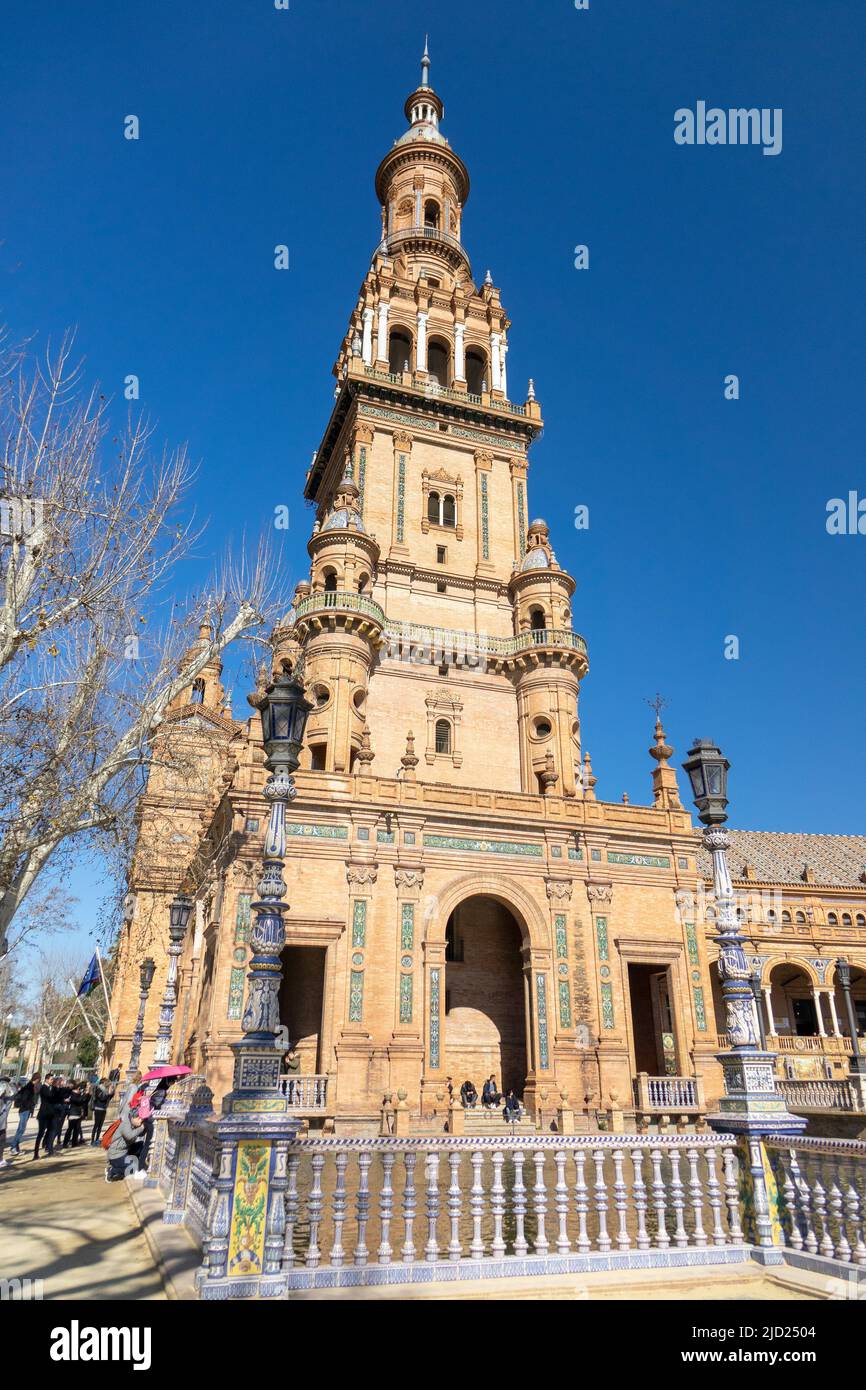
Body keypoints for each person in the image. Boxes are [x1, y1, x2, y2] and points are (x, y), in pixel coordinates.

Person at [105, 1109, 144, 1182]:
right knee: (132, 1167)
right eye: (138, 1118)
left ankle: (131, 1165)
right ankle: (112, 1171)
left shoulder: (134, 1124)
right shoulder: (125, 1124)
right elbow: (129, 1136)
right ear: (132, 1118)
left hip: (125, 1151)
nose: (140, 1120)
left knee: (141, 1145)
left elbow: (140, 1133)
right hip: (116, 1155)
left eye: (141, 1118)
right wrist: (141, 1128)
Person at [9, 1073, 40, 1155]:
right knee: (21, 1129)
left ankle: (16, 1147)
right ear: (36, 1079)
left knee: (21, 1129)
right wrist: (30, 1105)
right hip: (24, 1110)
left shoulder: (29, 1086)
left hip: (25, 1109)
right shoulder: (29, 1087)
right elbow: (25, 1099)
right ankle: (13, 1147)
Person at [33, 1076, 61, 1158]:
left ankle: (50, 1149)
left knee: (51, 1131)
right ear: (46, 1079)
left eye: (53, 1080)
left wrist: (56, 1088)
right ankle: (36, 1153)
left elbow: (57, 1098)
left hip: (51, 1114)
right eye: (51, 1079)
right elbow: (50, 1097)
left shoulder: (52, 1088)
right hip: (44, 1114)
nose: (52, 1081)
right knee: (41, 1133)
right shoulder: (44, 1088)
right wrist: (55, 1088)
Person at [90, 1078, 114, 1144]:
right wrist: (108, 1093)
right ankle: (92, 1140)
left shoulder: (106, 1090)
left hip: (104, 1109)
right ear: (103, 1083)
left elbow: (109, 1097)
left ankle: (97, 1139)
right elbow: (102, 1098)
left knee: (100, 1126)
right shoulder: (98, 1089)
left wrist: (112, 1091)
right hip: (98, 1109)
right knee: (96, 1125)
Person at [0, 1076, 16, 1168]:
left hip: (2, 1123)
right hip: (1, 1123)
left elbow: (13, 1093)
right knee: (2, 1141)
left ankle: (1, 1159)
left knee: (2, 1141)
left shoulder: (5, 1098)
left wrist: (11, 1083)